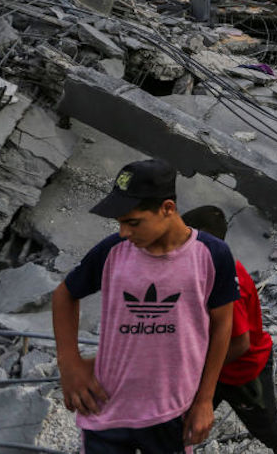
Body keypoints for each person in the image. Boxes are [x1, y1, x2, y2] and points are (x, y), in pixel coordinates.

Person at [51, 159, 238, 453]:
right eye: (120, 223)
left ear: (167, 208)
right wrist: (70, 362)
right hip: (106, 407)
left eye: (133, 222)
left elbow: (222, 325)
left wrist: (204, 399)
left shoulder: (211, 255)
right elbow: (64, 296)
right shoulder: (113, 251)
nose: (124, 232)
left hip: (170, 410)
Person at [181, 206, 277, 454]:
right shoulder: (202, 270)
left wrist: (202, 369)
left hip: (245, 370)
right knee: (181, 421)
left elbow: (240, 343)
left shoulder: (228, 280)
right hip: (217, 366)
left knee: (266, 427)